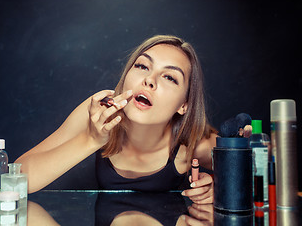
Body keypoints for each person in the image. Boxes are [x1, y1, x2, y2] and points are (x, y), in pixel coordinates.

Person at [15, 35, 218, 204]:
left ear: (185, 105)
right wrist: (91, 139)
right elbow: (17, 180)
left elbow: (248, 170)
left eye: (170, 77)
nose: (149, 80)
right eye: (142, 66)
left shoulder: (193, 142)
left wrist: (219, 186)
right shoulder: (98, 111)